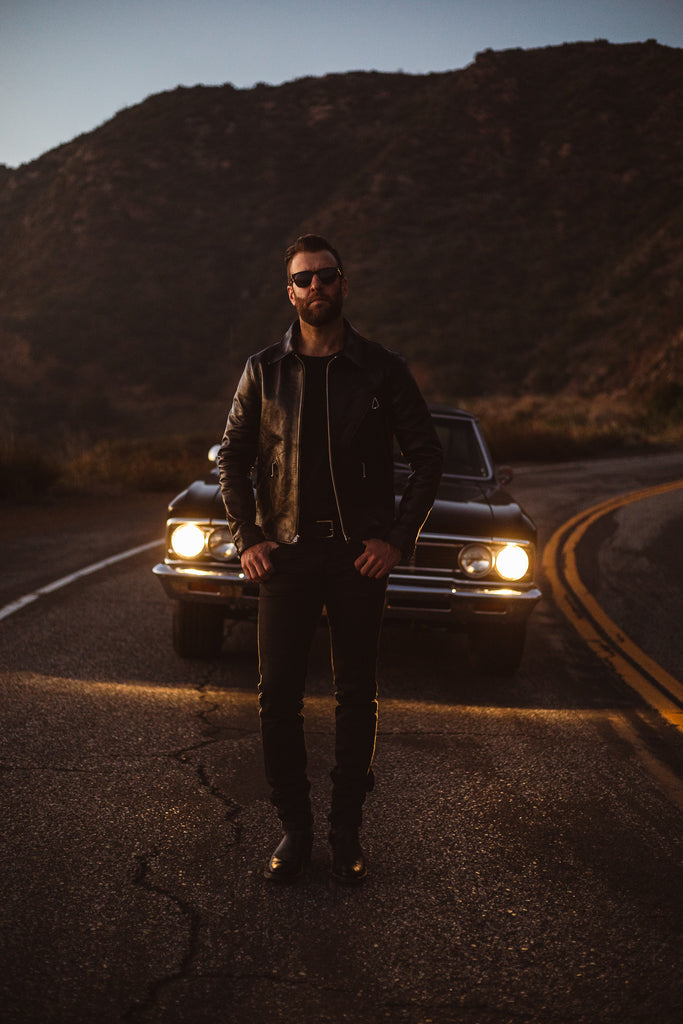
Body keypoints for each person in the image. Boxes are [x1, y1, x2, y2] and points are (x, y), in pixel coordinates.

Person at [218, 234, 442, 884]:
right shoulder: (263, 369)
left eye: (326, 276)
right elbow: (231, 455)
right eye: (303, 279)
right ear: (288, 292)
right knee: (275, 700)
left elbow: (426, 456)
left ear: (343, 284)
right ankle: (294, 828)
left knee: (355, 696)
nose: (316, 287)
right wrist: (247, 536)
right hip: (284, 556)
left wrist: (396, 538)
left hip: (356, 558)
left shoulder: (380, 368)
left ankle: (346, 832)